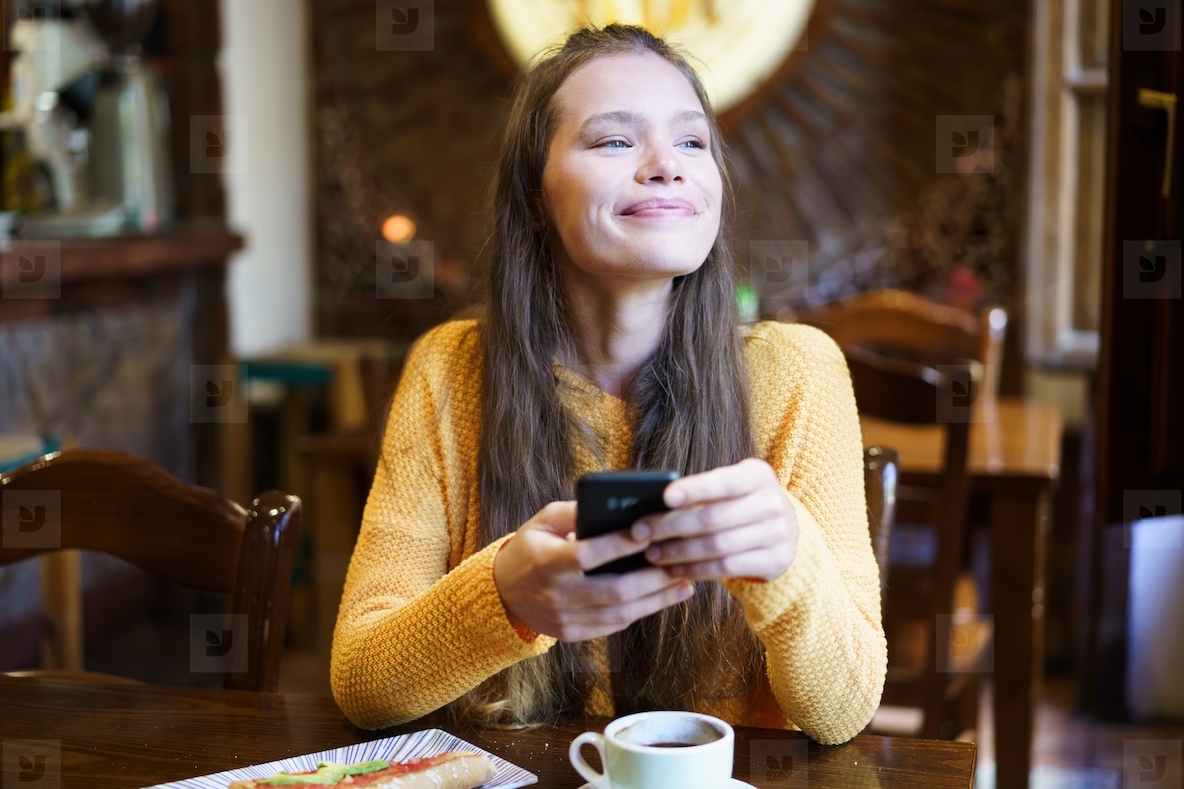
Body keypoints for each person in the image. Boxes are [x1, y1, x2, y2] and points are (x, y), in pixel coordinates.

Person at [331, 23, 886, 746]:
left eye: (692, 142)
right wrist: (502, 596)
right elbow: (362, 687)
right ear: (535, 195)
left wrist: (791, 560)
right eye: (615, 141)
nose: (668, 166)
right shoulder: (450, 367)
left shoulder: (796, 370)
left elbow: (845, 713)